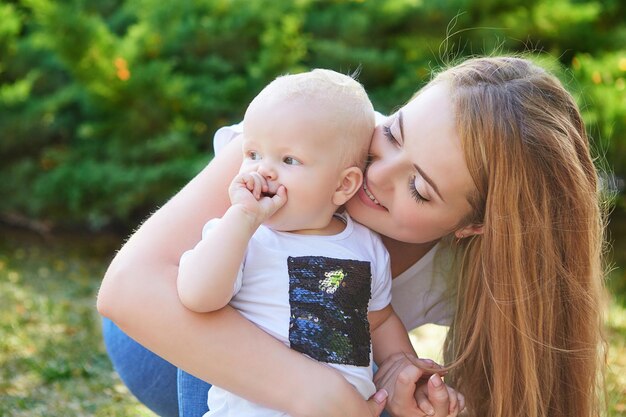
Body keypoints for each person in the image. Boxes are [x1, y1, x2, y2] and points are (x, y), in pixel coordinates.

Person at [98, 56, 606, 417]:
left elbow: (388, 343)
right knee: (246, 311)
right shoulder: (302, 137)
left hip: (327, 368)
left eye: (417, 188)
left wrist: (406, 378)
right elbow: (129, 291)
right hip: (162, 330)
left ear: (474, 226)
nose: (374, 174)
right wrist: (310, 391)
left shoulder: (483, 270)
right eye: (394, 133)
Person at [177, 69, 437, 416]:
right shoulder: (239, 234)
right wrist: (241, 219)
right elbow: (198, 296)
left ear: (343, 185)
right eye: (253, 154)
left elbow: (379, 319)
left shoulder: (365, 246)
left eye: (289, 160)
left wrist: (406, 368)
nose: (264, 171)